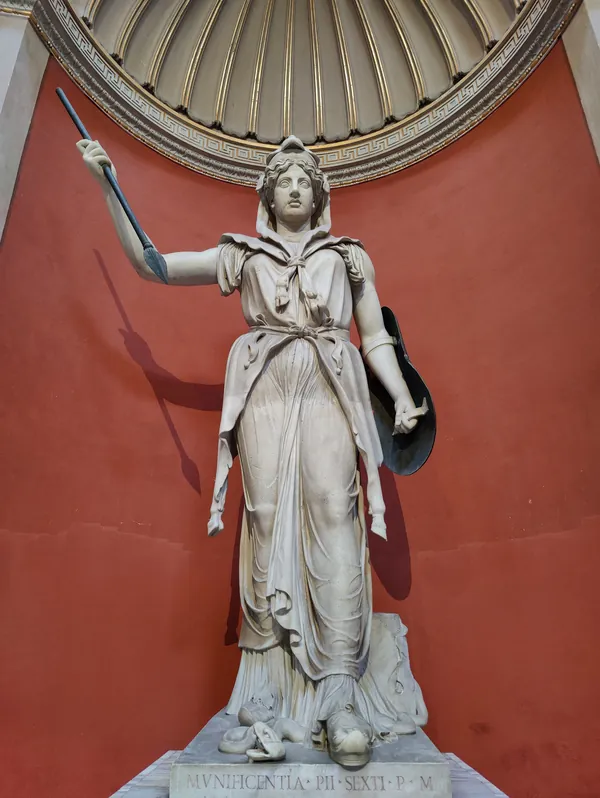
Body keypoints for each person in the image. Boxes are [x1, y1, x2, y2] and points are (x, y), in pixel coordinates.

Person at [77, 135, 423, 767]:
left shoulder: (349, 257)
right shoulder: (243, 254)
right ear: (268, 195)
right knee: (264, 520)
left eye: (303, 179)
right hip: (266, 386)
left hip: (328, 384)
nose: (293, 186)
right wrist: (107, 185)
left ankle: (340, 693)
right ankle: (264, 692)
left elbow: (372, 336)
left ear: (318, 195)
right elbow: (153, 265)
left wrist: (399, 396)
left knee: (334, 513)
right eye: (283, 179)